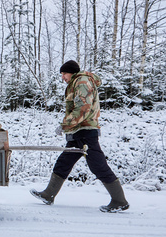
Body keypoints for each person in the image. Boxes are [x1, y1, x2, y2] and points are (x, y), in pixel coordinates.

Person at [30, 60, 129, 213]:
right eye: (61, 74)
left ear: (72, 72)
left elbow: (83, 108)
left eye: (64, 73)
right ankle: (49, 194)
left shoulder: (82, 82)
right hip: (78, 132)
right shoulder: (77, 82)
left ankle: (119, 200)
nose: (62, 77)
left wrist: (65, 125)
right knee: (64, 162)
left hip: (85, 132)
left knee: (98, 165)